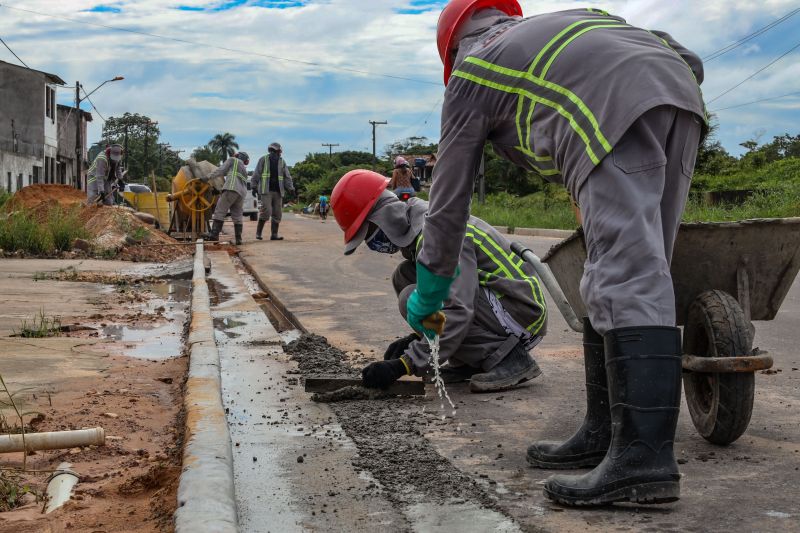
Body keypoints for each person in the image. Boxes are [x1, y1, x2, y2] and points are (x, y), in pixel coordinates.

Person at [411, 1, 706, 506]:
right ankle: (605, 433)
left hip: (609, 107)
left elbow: (448, 202)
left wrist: (430, 289)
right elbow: (688, 57)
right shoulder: (568, 20)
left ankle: (644, 460)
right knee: (636, 265)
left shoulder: (471, 74)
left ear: (452, 48)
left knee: (625, 274)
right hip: (678, 96)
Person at [331, 169, 547, 393]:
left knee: (410, 298)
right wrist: (418, 338)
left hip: (521, 315)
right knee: (405, 275)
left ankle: (508, 357)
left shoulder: (438, 235)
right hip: (501, 307)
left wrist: (406, 363)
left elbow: (457, 309)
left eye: (369, 234)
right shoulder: (422, 225)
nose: (371, 243)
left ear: (383, 217)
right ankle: (470, 360)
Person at [202, 151, 250, 245]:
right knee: (237, 215)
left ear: (237, 156)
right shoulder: (244, 169)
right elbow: (235, 179)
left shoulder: (233, 160)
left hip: (231, 188)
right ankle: (238, 239)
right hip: (241, 194)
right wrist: (220, 190)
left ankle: (214, 235)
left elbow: (220, 170)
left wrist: (207, 177)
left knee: (220, 211)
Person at [251, 142, 295, 240]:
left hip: (278, 192)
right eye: (278, 151)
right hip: (266, 191)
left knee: (277, 213)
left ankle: (274, 235)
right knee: (266, 212)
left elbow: (287, 176)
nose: (279, 153)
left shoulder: (282, 162)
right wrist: (253, 186)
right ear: (273, 151)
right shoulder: (263, 159)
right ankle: (258, 233)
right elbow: (256, 173)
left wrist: (291, 188)